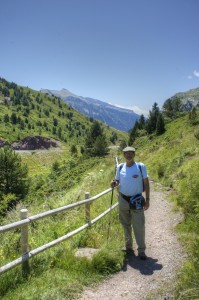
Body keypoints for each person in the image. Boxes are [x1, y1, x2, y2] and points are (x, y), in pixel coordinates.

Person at [111, 146, 150, 260]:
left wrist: (147, 200)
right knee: (125, 224)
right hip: (123, 199)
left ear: (134, 154)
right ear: (123, 155)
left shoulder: (140, 167)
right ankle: (129, 248)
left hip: (137, 200)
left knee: (139, 225)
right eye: (126, 153)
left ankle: (141, 250)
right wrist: (114, 182)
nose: (128, 155)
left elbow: (146, 183)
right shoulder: (120, 167)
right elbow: (117, 180)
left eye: (130, 153)